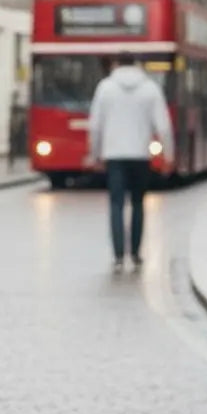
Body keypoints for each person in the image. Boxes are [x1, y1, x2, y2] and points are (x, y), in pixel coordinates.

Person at [86, 52, 174, 269]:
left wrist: (94, 154)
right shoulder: (150, 88)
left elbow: (95, 126)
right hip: (140, 155)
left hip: (114, 155)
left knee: (116, 204)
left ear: (115, 64)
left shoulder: (105, 88)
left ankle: (117, 256)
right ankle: (135, 253)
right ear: (136, 64)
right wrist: (168, 155)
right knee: (137, 204)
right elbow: (163, 126)